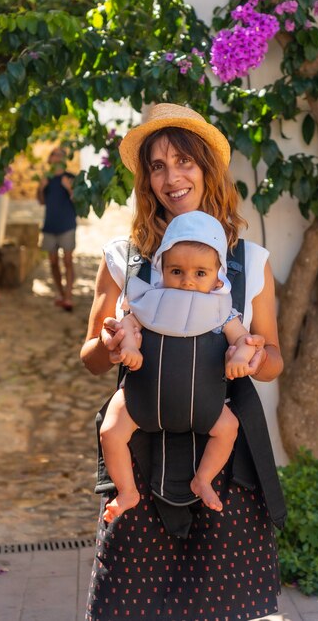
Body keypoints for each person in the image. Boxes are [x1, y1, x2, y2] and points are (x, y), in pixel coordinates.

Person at [81, 103, 287, 621]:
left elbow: (275, 358)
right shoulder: (123, 260)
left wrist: (254, 356)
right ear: (146, 180)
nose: (171, 177)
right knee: (127, 605)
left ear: (207, 169)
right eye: (157, 166)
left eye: (184, 161)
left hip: (223, 466)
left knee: (223, 608)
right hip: (140, 450)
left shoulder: (247, 263)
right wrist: (110, 347)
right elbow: (88, 358)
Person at [100, 211, 258, 522]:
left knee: (228, 429)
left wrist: (242, 357)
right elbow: (127, 327)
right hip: (141, 398)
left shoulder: (223, 312)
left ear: (218, 275)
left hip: (205, 405)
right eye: (176, 271)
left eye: (200, 273)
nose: (186, 280)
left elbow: (244, 341)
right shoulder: (148, 301)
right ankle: (127, 490)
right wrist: (129, 346)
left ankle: (203, 479)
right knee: (110, 430)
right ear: (161, 269)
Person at [37, 147, 76, 311]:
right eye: (55, 154)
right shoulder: (46, 179)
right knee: (53, 263)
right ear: (50, 159)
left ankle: (68, 296)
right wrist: (40, 187)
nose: (58, 157)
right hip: (49, 226)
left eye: (61, 155)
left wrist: (69, 188)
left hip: (67, 225)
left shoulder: (71, 177)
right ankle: (60, 294)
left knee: (67, 261)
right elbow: (41, 201)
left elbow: (78, 201)